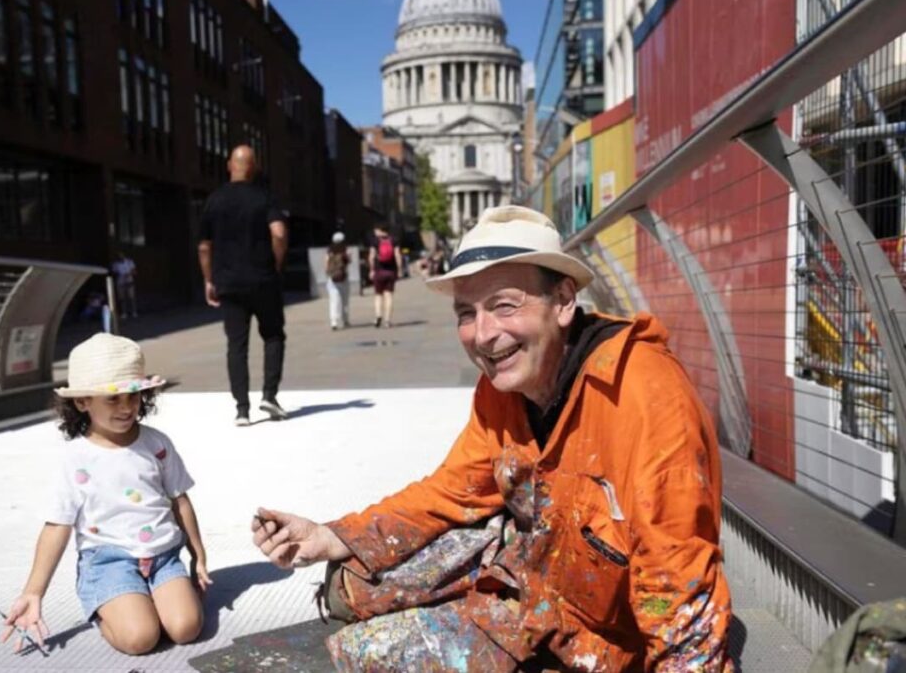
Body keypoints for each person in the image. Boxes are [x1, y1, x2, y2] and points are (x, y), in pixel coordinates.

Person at [252, 206, 733, 671]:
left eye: (505, 306)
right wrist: (329, 535)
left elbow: (676, 584)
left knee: (363, 652)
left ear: (564, 300)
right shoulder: (503, 389)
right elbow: (448, 492)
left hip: (594, 637)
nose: (483, 335)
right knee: (347, 583)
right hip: (530, 579)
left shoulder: (644, 396)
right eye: (467, 313)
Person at [0, 333, 211, 656]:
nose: (127, 407)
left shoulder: (157, 444)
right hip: (109, 561)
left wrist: (198, 554)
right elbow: (57, 526)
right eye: (112, 399)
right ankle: (106, 604)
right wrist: (33, 592)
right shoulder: (76, 459)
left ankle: (149, 596)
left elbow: (179, 499)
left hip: (164, 556)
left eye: (134, 396)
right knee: (140, 638)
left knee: (186, 629)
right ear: (83, 401)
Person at [198, 145, 289, 427]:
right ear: (254, 167)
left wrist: (208, 279)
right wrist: (275, 262)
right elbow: (279, 232)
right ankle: (269, 397)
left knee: (236, 345)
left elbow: (204, 246)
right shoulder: (264, 197)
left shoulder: (214, 200)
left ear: (230, 165)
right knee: (273, 336)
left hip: (228, 282)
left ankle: (242, 410)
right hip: (263, 279)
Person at [368, 223, 403, 328]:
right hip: (391, 272)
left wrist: (371, 270)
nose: (374, 232)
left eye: (376, 230)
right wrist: (400, 270)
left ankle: (378, 316)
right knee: (389, 296)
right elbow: (397, 255)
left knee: (378, 295)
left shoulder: (375, 242)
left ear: (380, 230)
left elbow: (371, 256)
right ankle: (387, 320)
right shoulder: (394, 240)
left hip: (378, 272)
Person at [325, 232, 351, 331]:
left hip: (332, 279)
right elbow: (349, 262)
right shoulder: (345, 250)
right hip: (343, 277)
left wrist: (329, 273)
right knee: (345, 300)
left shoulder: (329, 251)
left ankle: (334, 322)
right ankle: (345, 320)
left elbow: (326, 264)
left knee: (333, 301)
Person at [111, 252, 138, 320]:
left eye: (121, 255)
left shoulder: (129, 262)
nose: (120, 257)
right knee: (122, 298)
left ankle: (134, 312)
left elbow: (134, 271)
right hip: (120, 282)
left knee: (131, 297)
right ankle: (124, 312)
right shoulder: (115, 264)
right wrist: (119, 275)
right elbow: (114, 272)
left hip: (129, 281)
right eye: (118, 256)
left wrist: (129, 274)